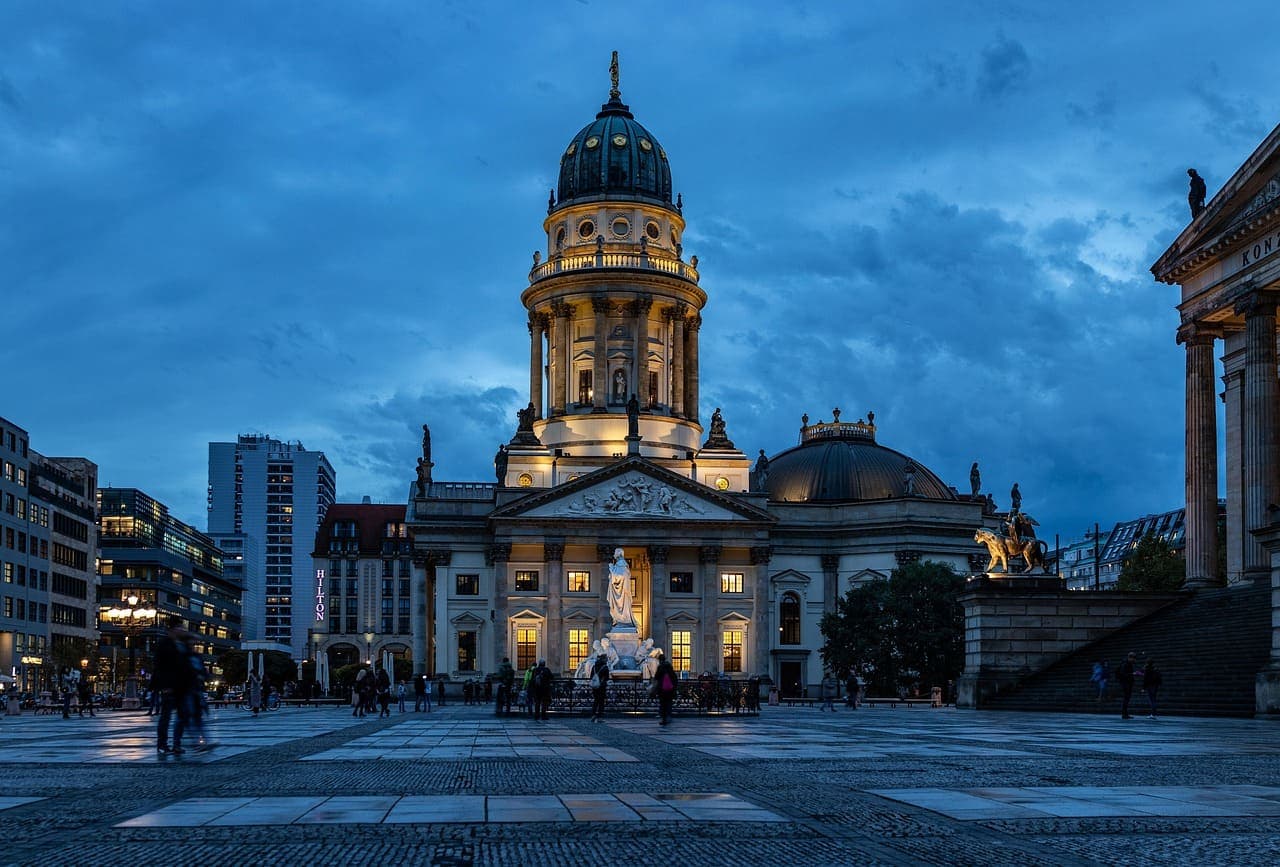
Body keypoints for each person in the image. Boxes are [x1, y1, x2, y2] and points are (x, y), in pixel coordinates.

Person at [154, 615, 194, 755]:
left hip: (181, 687)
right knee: (166, 716)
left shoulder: (181, 644)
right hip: (169, 687)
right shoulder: (164, 644)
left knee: (183, 715)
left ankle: (177, 744)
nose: (181, 629)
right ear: (172, 629)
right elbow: (159, 666)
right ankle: (162, 744)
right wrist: (164, 686)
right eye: (179, 627)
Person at [653, 653, 678, 726]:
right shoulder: (670, 667)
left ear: (660, 660)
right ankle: (669, 715)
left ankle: (664, 718)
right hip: (670, 689)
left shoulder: (660, 667)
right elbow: (674, 678)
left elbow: (656, 677)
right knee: (669, 703)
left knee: (663, 703)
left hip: (662, 689)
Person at [589, 652, 610, 723]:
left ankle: (593, 715)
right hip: (602, 686)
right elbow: (607, 678)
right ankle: (600, 717)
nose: (607, 660)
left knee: (596, 701)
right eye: (606, 659)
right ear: (604, 659)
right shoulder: (605, 667)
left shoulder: (594, 667)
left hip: (594, 686)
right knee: (601, 702)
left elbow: (591, 676)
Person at [1117, 652, 1137, 720]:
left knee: (1127, 699)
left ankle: (1125, 713)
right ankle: (1124, 714)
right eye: (1134, 658)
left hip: (1128, 683)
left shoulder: (1128, 663)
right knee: (1126, 698)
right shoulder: (1125, 664)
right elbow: (1123, 674)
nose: (1135, 660)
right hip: (1125, 683)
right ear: (1130, 658)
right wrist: (1132, 674)